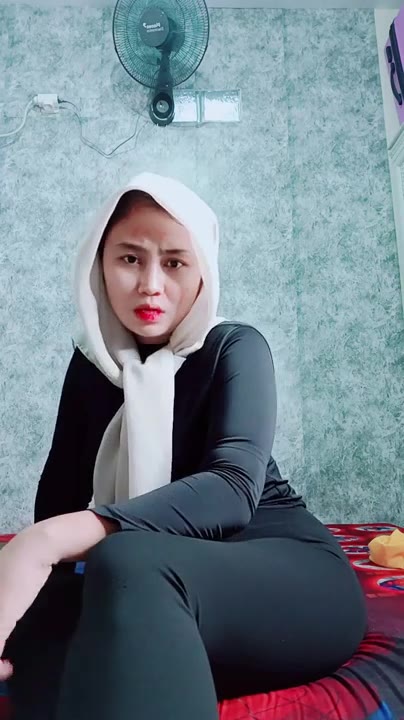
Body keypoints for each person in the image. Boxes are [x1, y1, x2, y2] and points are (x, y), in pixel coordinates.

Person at [0, 172, 367, 720]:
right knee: (44, 622)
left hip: (286, 575)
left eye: (174, 263)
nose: (151, 285)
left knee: (127, 558)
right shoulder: (92, 366)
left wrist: (46, 540)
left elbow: (232, 489)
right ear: (98, 264)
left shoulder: (235, 347)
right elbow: (57, 499)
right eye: (130, 259)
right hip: (159, 592)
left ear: (202, 273)